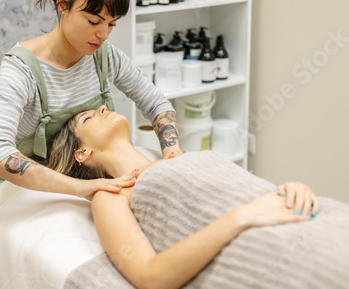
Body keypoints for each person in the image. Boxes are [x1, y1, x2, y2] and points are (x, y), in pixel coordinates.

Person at [48, 105, 330, 289]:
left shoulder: (182, 158)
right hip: (267, 250)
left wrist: (288, 189)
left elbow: (236, 190)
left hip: (311, 217)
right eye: (89, 118)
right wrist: (241, 217)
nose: (103, 108)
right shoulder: (110, 195)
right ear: (82, 153)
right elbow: (150, 277)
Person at [0, 0, 183, 198]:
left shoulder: (104, 56)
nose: (103, 34)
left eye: (111, 24)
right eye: (93, 21)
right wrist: (80, 188)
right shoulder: (22, 70)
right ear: (62, 6)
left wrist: (172, 153)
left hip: (83, 187)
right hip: (19, 195)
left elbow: (156, 103)